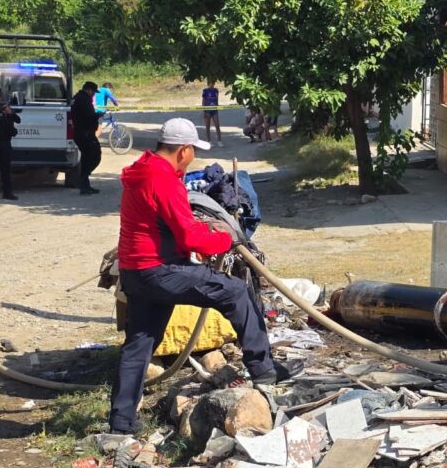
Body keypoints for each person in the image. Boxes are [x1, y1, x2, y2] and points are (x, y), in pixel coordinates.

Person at [110, 117, 303, 434]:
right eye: (193, 152)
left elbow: (172, 225)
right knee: (236, 292)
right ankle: (264, 370)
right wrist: (225, 240)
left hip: (136, 271)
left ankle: (121, 422)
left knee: (140, 344)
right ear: (183, 149)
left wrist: (201, 238)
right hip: (160, 271)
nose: (193, 158)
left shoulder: (142, 170)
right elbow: (188, 236)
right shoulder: (163, 178)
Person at [72, 81, 102, 195]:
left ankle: (85, 184)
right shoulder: (83, 99)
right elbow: (88, 116)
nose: (93, 95)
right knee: (94, 156)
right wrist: (98, 115)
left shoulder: (77, 97)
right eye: (93, 92)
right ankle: (83, 180)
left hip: (81, 133)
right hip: (85, 134)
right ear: (89, 90)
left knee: (86, 158)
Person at [201, 79, 223, 148]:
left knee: (217, 125)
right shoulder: (205, 91)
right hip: (207, 110)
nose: (212, 84)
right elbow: (203, 101)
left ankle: (219, 141)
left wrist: (217, 107)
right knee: (207, 126)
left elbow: (217, 100)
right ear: (208, 83)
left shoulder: (216, 90)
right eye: (210, 83)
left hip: (214, 110)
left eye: (213, 83)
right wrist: (203, 111)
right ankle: (209, 141)